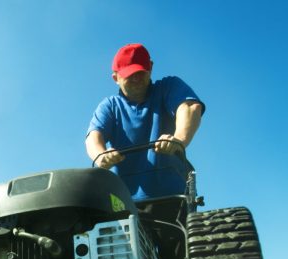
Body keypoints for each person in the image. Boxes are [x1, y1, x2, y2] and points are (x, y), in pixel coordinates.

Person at [85, 43, 205, 201]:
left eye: (140, 72)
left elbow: (190, 107)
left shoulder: (168, 87)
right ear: (115, 78)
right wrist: (100, 155)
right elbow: (94, 135)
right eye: (129, 74)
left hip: (175, 197)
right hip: (125, 204)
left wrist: (179, 140)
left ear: (150, 68)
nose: (136, 78)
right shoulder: (110, 106)